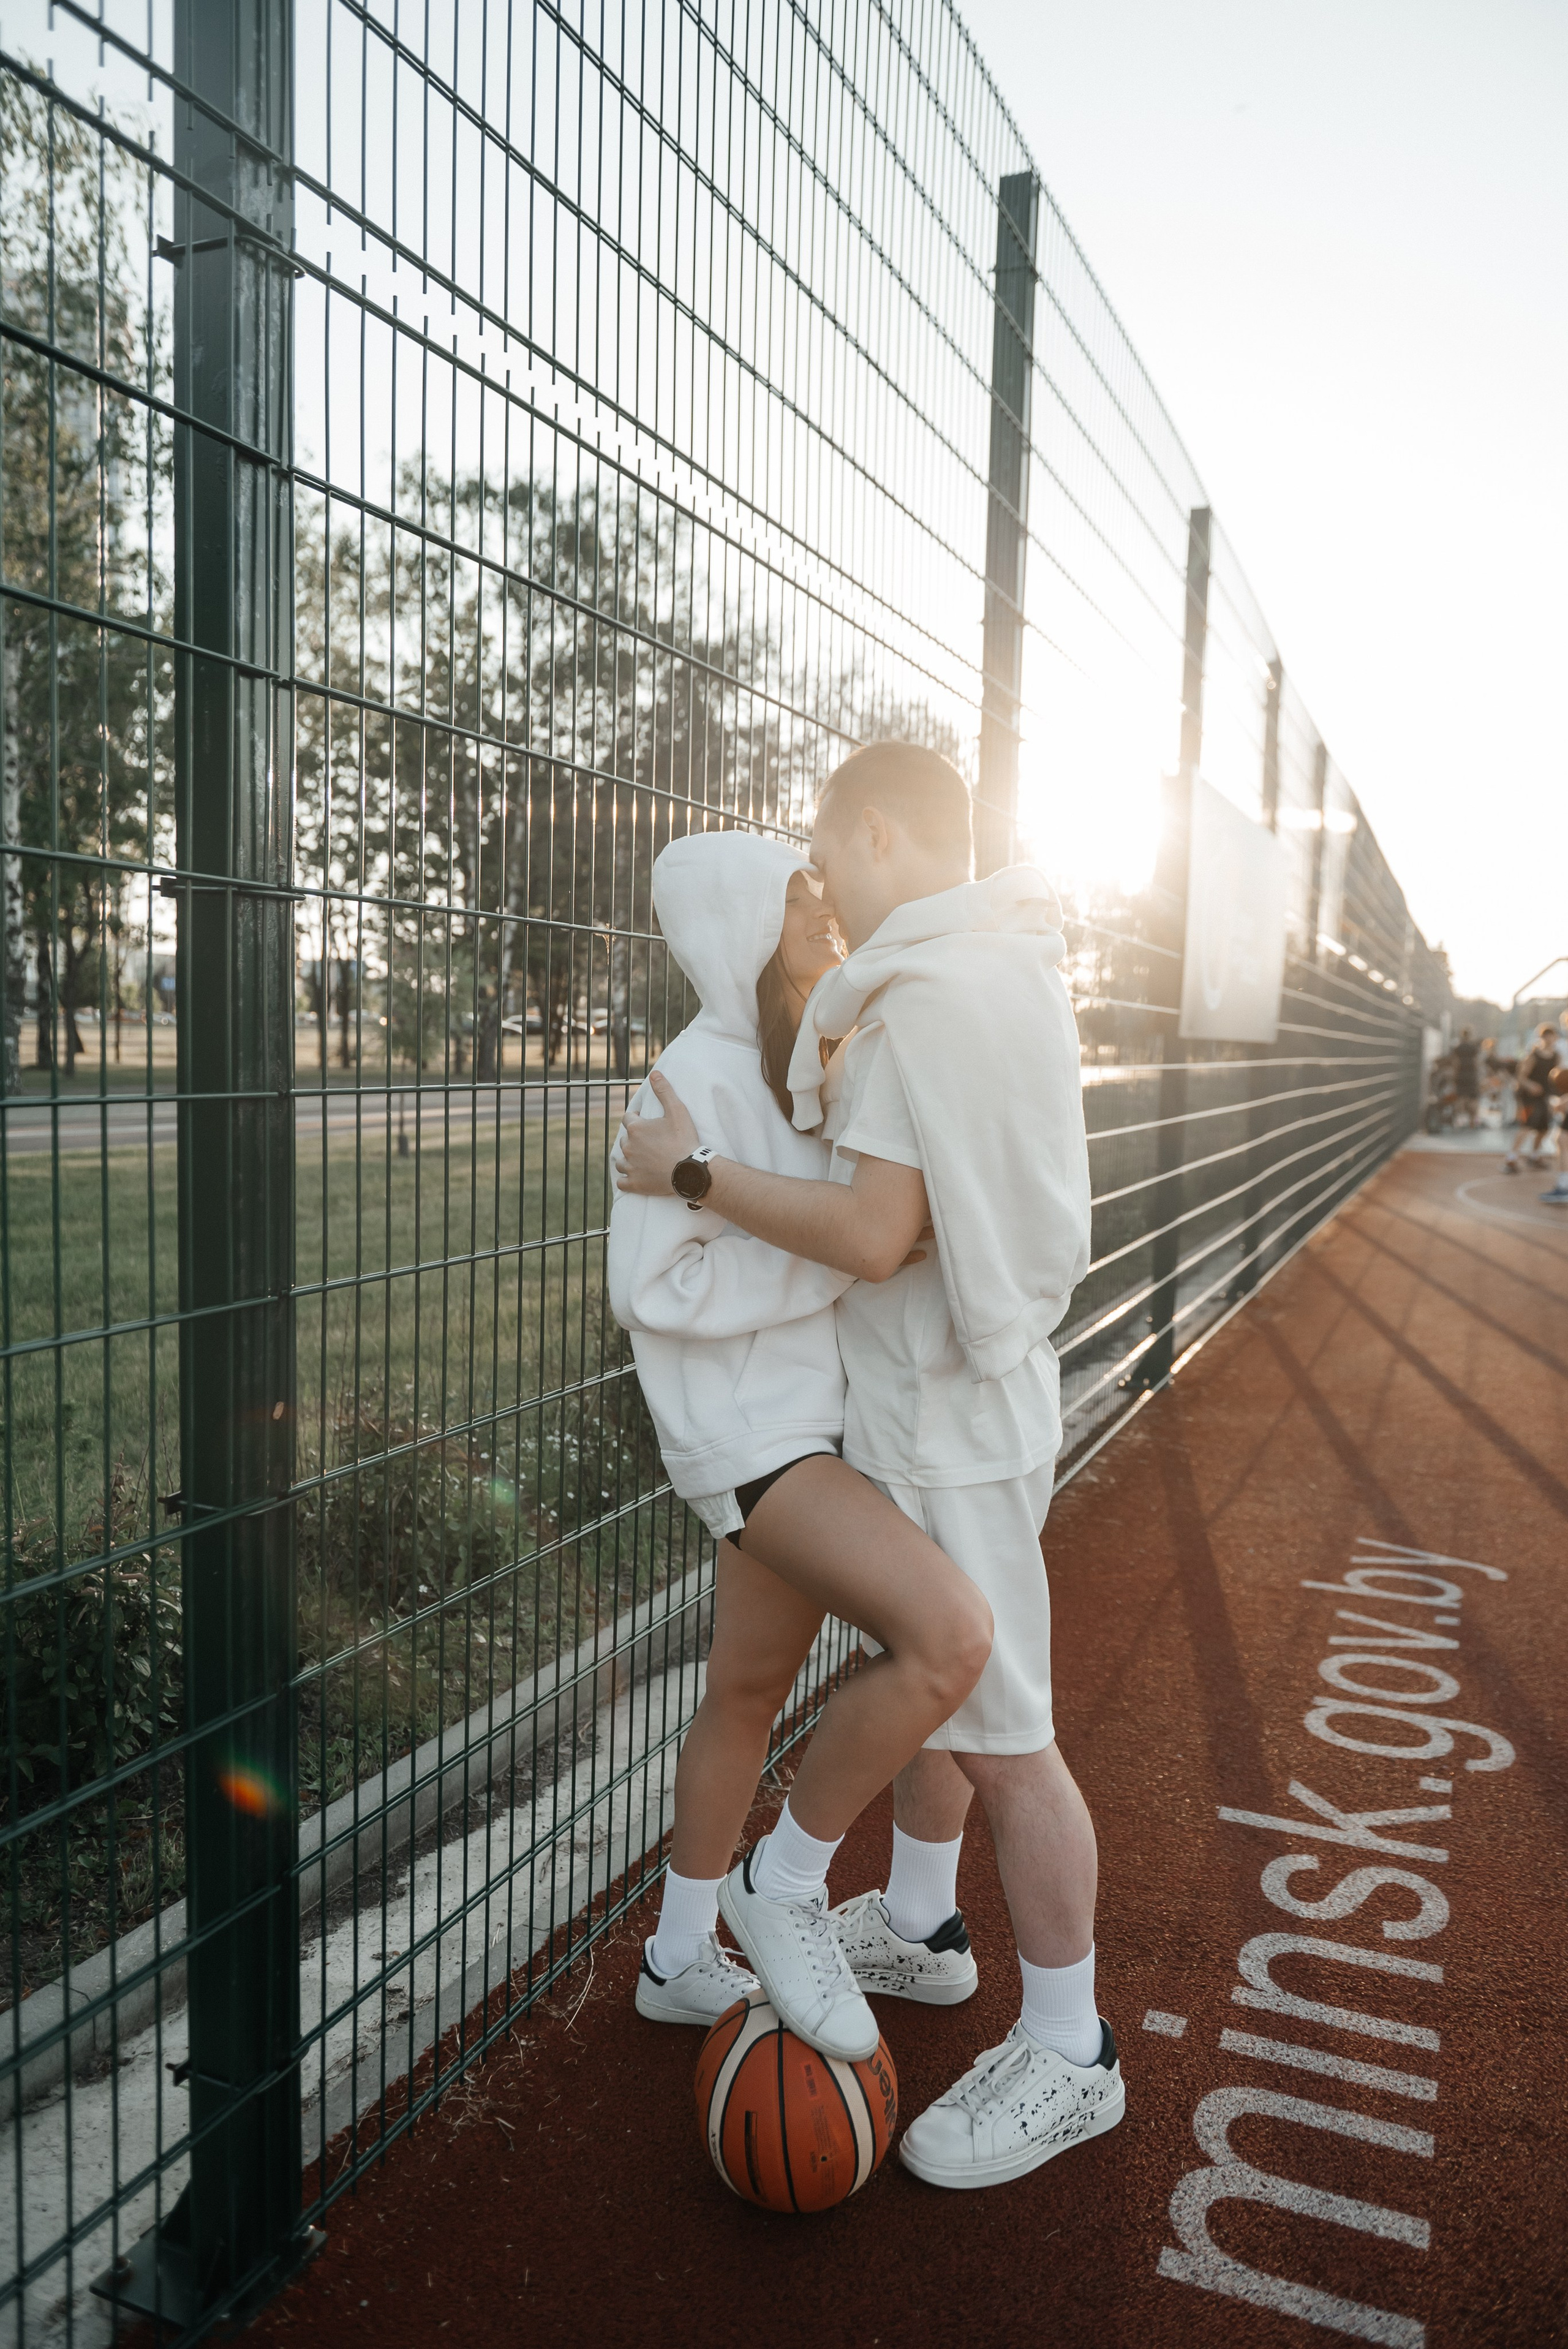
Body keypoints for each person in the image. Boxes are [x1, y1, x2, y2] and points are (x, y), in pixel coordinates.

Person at [616, 742, 1123, 2192]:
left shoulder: (911, 1009)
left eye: (827, 859)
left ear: (880, 832)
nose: (819, 888)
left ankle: (1069, 2043)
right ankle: (914, 1920)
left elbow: (868, 1235)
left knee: (1004, 1724)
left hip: (946, 1412)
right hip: (981, 1389)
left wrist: (696, 1176)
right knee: (961, 1697)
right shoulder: (1009, 962)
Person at [608, 828, 993, 2062]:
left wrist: (875, 1243)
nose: (822, 905)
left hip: (811, 1424)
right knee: (946, 1635)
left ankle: (674, 1958)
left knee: (742, 1690)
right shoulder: (686, 1081)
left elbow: (852, 1225)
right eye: (794, 894)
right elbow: (651, 1285)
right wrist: (830, 1264)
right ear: (735, 925)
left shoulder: (799, 1056)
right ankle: (783, 1888)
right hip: (749, 1439)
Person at [1504, 1022, 1561, 1176]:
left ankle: (1534, 1156)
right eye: (1546, 1036)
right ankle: (1512, 1158)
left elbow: (1558, 1078)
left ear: (1555, 1038)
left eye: (1552, 1036)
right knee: (1526, 1126)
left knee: (1544, 1129)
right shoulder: (1533, 1056)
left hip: (1546, 1097)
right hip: (1529, 1098)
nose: (1549, 1039)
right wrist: (1530, 1085)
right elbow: (1521, 1077)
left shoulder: (1556, 1056)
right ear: (1541, 1037)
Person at [1451, 1028, 1481, 1127]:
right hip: (1472, 1076)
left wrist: (1455, 1076)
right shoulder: (1474, 1049)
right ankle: (1473, 1121)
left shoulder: (1458, 1048)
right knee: (1473, 1098)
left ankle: (1461, 1120)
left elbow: (1456, 1063)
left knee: (1461, 1097)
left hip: (1461, 1075)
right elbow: (1477, 1063)